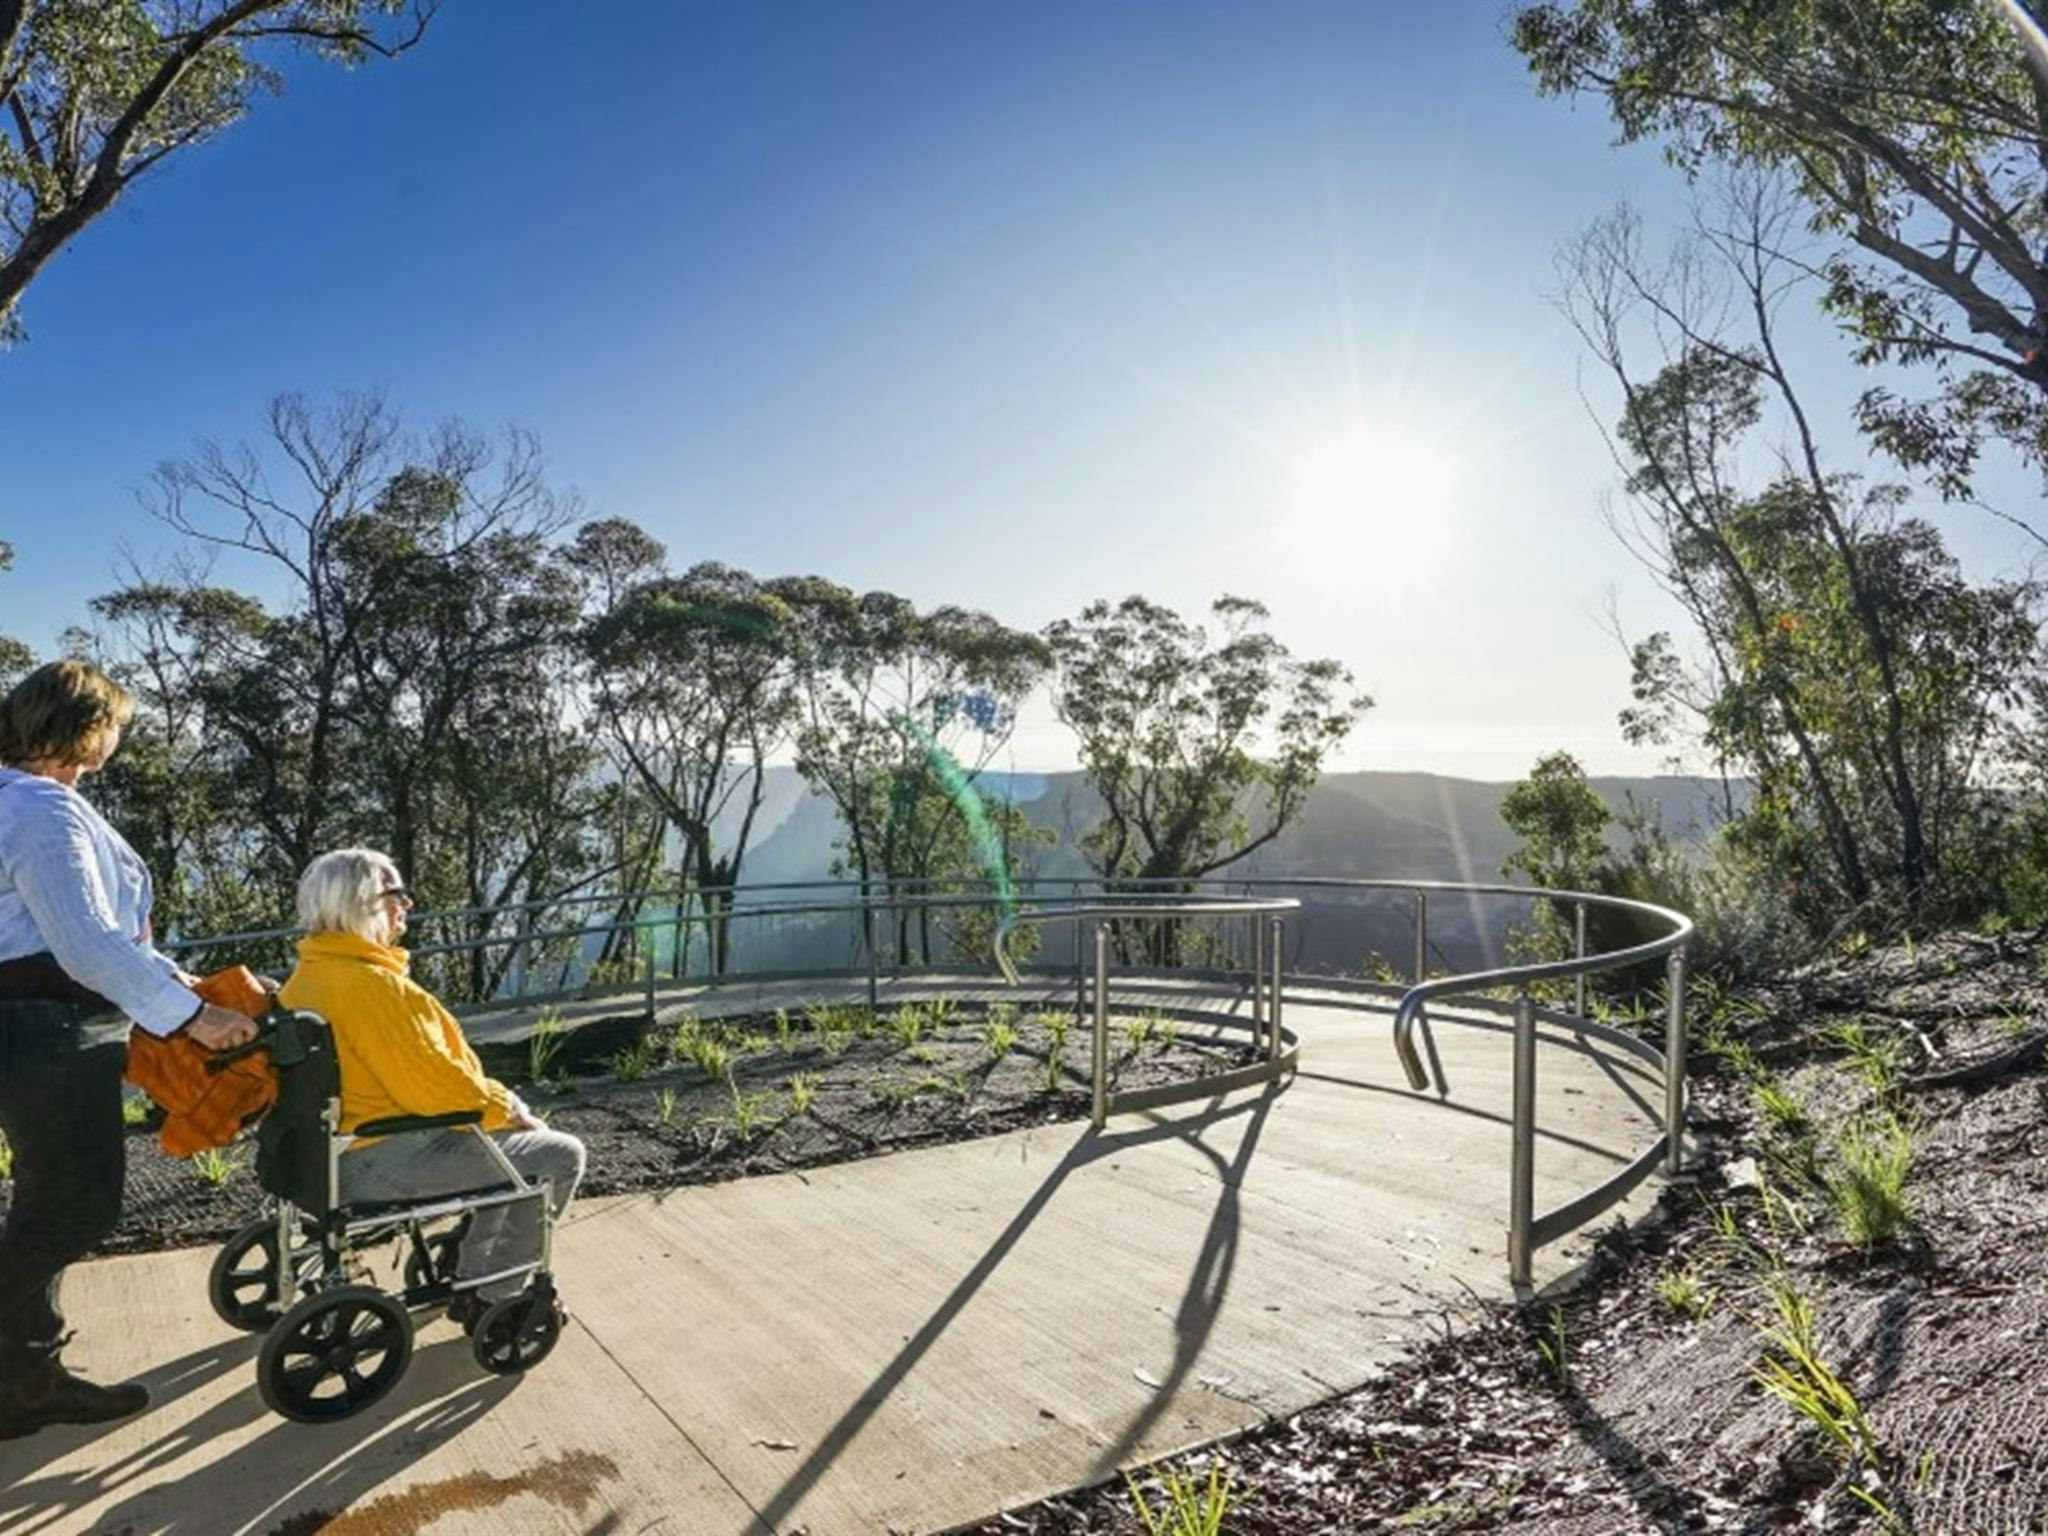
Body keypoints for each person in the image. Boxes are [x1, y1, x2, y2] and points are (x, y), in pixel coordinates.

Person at [0, 660, 257, 1440]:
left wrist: (170, 977)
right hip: (51, 1027)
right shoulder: (43, 810)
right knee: (78, 1203)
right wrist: (192, 1018)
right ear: (84, 728)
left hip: (36, 1023)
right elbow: (81, 943)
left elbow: (80, 930)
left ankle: (24, 1384)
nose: (115, 740)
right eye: (112, 726)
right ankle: (21, 1374)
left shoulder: (23, 801)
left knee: (47, 1199)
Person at [278, 849, 583, 1312]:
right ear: (363, 903)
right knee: (558, 1155)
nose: (407, 903)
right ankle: (496, 1291)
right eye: (396, 893)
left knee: (499, 1143)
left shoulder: (307, 977)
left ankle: (472, 1262)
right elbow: (439, 1092)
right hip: (376, 1158)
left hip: (322, 1153)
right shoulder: (376, 988)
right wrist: (510, 1109)